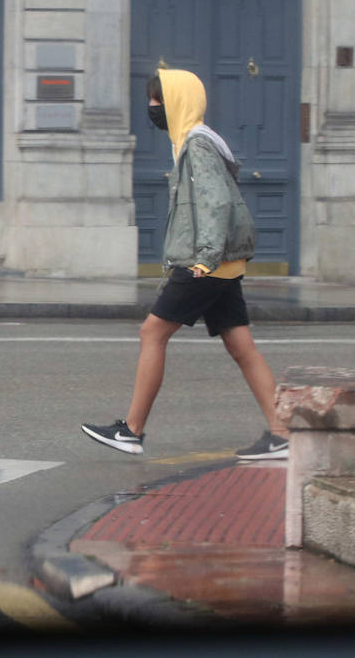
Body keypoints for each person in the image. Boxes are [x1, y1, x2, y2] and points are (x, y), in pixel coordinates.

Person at [82, 69, 288, 460]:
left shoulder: (196, 145)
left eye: (157, 100)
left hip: (205, 261)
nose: (152, 108)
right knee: (242, 347)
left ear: (177, 101)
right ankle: (282, 434)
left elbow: (216, 203)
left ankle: (132, 430)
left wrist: (205, 259)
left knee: (152, 333)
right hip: (223, 263)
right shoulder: (195, 143)